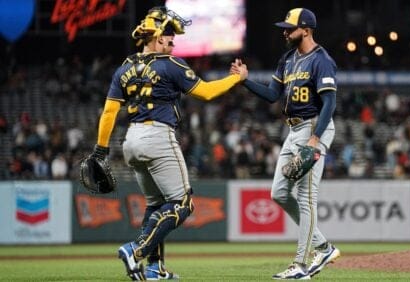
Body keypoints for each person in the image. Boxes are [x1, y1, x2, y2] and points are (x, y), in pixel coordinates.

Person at [90, 6, 244, 280]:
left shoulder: (124, 67)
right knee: (183, 204)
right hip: (158, 136)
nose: (173, 41)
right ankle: (136, 250)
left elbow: (110, 112)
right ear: (158, 37)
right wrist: (236, 78)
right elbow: (207, 93)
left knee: (156, 205)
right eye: (170, 36)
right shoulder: (171, 64)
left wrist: (101, 150)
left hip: (131, 141)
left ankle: (154, 269)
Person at [230, 7, 340, 280]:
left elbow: (330, 102)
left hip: (314, 126)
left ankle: (301, 264)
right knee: (278, 192)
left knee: (306, 198)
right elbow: (271, 95)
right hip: (293, 130)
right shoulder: (288, 59)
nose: (285, 31)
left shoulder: (321, 60)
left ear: (306, 29)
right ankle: (323, 247)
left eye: (290, 28)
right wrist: (245, 82)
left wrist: (315, 140)